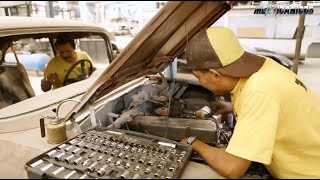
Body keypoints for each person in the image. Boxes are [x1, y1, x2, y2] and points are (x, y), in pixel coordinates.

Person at [180, 27, 320, 178]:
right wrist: (233, 107)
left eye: (198, 76)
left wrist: (194, 142)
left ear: (215, 74)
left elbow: (232, 168)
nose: (199, 82)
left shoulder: (259, 91)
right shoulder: (263, 66)